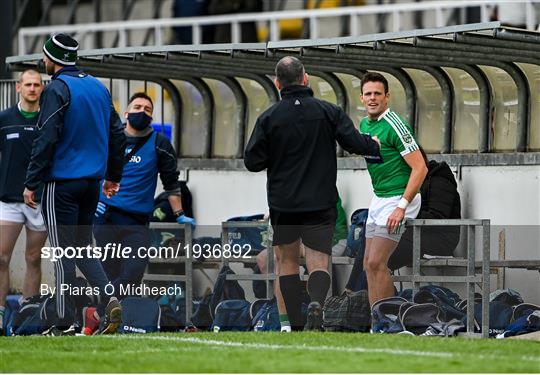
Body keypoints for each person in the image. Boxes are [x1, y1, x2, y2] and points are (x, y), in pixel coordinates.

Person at [244, 56, 381, 330]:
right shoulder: (328, 111)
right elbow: (354, 142)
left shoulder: (269, 118)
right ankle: (317, 307)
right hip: (320, 203)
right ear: (305, 79)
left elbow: (252, 161)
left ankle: (288, 324)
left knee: (287, 263)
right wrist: (374, 143)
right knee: (319, 260)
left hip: (284, 205)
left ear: (277, 83)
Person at [23, 33, 126, 336]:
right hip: (91, 184)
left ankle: (63, 321)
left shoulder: (57, 88)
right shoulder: (97, 86)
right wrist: (113, 176)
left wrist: (31, 182)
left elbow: (47, 136)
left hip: (61, 184)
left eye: (45, 57)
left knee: (62, 252)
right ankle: (110, 299)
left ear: (51, 59)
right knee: (82, 250)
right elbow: (117, 134)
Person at [92, 93, 195, 321]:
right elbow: (90, 171)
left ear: (151, 117)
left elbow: (171, 183)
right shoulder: (108, 139)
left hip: (137, 221)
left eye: (147, 109)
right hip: (106, 217)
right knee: (109, 271)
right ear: (126, 113)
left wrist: (180, 215)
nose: (142, 111)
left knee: (134, 271)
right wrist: (92, 202)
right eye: (137, 107)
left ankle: (99, 313)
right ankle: (115, 321)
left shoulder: (160, 144)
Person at [345, 148, 461, 291]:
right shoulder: (404, 182)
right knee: (372, 240)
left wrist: (403, 215)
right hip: (413, 235)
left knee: (379, 260)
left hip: (439, 239)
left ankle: (361, 295)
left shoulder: (439, 179)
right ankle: (355, 291)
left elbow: (436, 218)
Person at [359, 72, 427, 306]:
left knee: (378, 262)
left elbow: (420, 168)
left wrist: (401, 207)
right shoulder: (364, 124)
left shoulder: (395, 125)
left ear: (387, 97)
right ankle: (375, 324)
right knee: (368, 263)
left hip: (398, 199)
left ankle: (389, 319)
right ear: (361, 98)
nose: (373, 98)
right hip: (378, 199)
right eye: (368, 94)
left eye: (378, 93)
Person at [0, 69, 47, 335]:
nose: (32, 88)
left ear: (42, 88)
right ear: (18, 87)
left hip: (38, 202)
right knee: (1, 257)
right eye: (27, 84)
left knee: (33, 257)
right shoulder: (5, 118)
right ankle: (0, 314)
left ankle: (27, 316)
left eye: (36, 84)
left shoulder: (49, 119)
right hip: (8, 200)